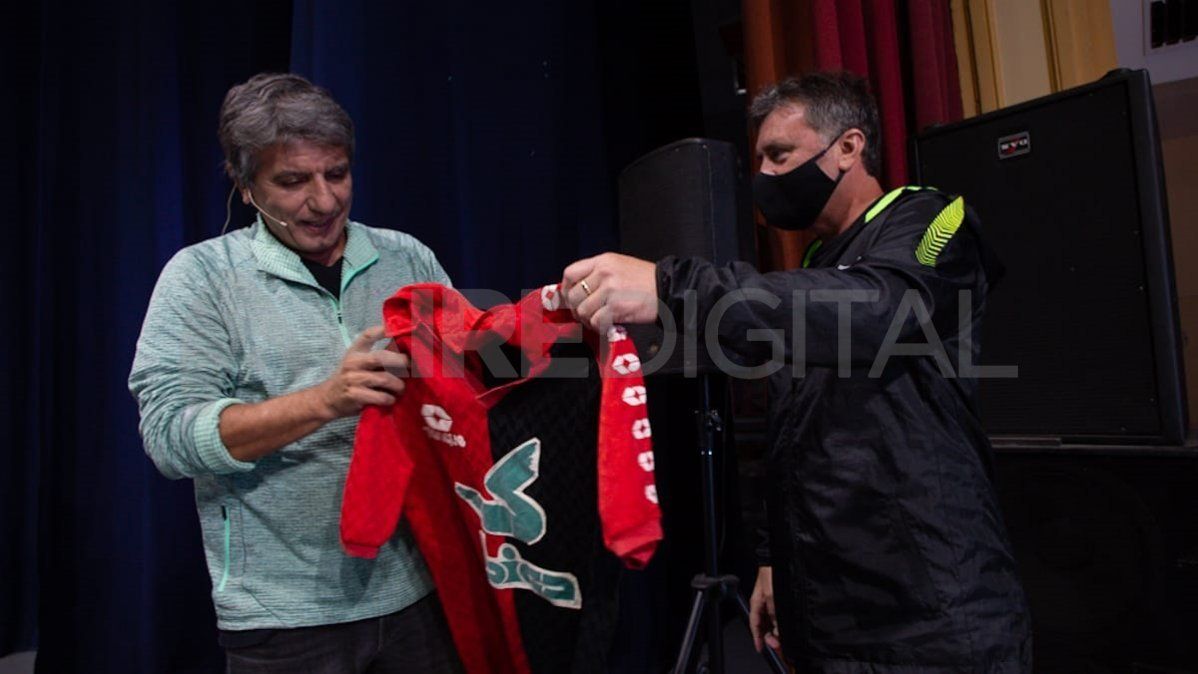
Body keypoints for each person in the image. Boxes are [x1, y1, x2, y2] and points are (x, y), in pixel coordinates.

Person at [560, 71, 1032, 672]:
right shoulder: (814, 264)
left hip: (930, 609)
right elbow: (790, 429)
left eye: (780, 155)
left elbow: (878, 310)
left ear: (848, 148)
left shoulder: (933, 220)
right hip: (827, 613)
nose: (765, 176)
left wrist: (668, 285)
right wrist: (772, 558)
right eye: (759, 159)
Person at [129, 73, 462, 673]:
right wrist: (325, 400)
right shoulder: (202, 277)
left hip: (420, 594)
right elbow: (170, 438)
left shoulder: (407, 258)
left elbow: (466, 387)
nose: (325, 200)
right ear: (245, 184)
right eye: (293, 181)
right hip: (284, 617)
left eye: (337, 173)